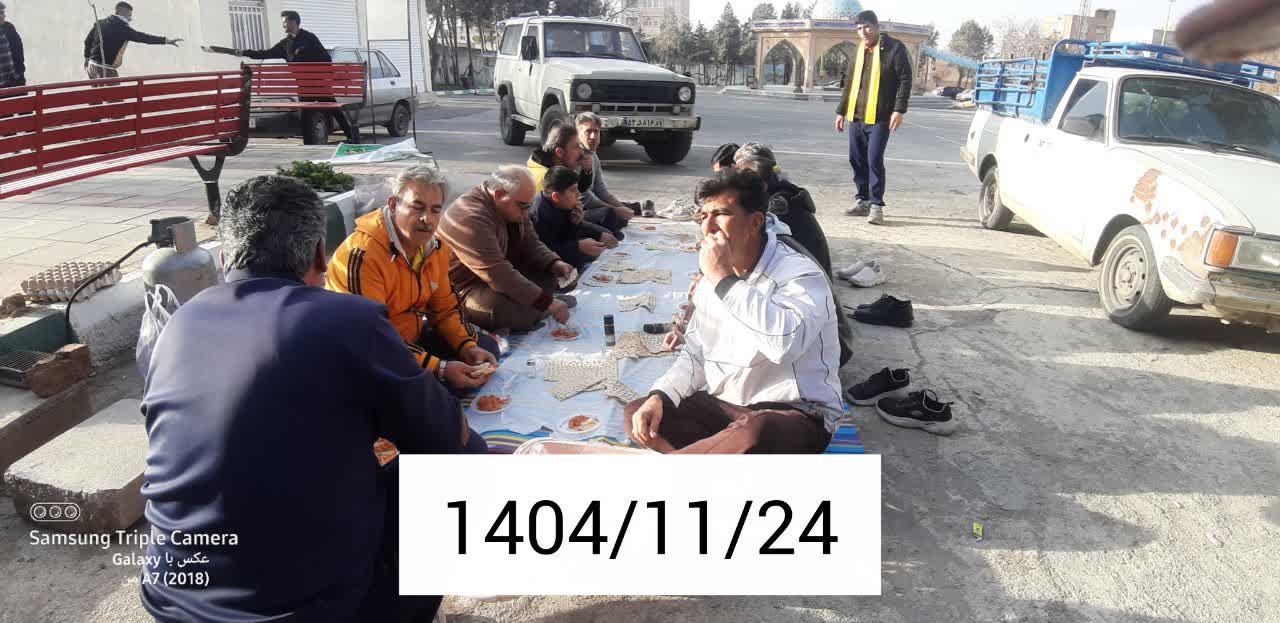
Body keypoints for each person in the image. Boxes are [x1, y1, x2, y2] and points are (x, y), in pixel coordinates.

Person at [139, 175, 470, 622]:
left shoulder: (179, 325)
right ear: (319, 254)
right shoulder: (347, 318)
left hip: (172, 599)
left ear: (224, 258)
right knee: (452, 473)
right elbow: (441, 436)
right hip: (316, 610)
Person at [624, 169, 843, 454]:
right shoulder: (712, 278)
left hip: (794, 413)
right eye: (704, 216)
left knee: (755, 432)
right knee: (640, 413)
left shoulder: (800, 275)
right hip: (729, 406)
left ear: (755, 222)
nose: (708, 228)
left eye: (721, 215)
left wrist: (724, 279)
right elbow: (696, 353)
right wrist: (661, 395)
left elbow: (783, 345)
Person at [326, 166, 499, 392]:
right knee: (431, 390)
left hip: (410, 341)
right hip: (370, 353)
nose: (427, 219)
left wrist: (467, 347)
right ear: (393, 205)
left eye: (435, 210)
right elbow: (372, 338)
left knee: (484, 350)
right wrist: (439, 368)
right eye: (417, 208)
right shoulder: (362, 255)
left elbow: (445, 310)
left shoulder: (436, 249)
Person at [438, 165, 576, 332]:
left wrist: (555, 263)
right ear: (499, 195)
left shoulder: (514, 205)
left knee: (549, 274)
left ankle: (536, 309)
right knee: (501, 308)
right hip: (463, 290)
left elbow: (532, 243)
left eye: (529, 206)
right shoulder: (470, 217)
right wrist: (547, 302)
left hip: (498, 280)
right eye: (523, 206)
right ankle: (540, 310)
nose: (526, 213)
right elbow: (496, 273)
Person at [223, 11, 360, 143]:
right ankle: (309, 145)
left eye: (285, 22)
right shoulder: (285, 44)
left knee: (334, 110)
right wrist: (243, 52)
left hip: (319, 85)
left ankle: (352, 138)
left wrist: (316, 71)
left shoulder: (309, 38)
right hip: (303, 87)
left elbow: (325, 58)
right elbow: (265, 53)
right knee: (306, 116)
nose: (283, 25)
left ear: (294, 22)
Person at [835, 9, 912, 225]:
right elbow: (849, 83)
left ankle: (877, 205)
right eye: (859, 29)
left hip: (880, 116)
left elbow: (905, 79)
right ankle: (863, 200)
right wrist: (841, 111)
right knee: (856, 159)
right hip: (856, 116)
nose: (864, 32)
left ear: (877, 27)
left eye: (867, 27)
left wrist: (899, 109)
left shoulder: (894, 48)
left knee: (874, 159)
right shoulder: (858, 50)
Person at [733, 143, 833, 277]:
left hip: (805, 281)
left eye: (740, 174)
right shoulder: (786, 192)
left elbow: (754, 255)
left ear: (761, 183)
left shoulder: (777, 208)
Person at [527, 123, 628, 238]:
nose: (581, 152)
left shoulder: (558, 166)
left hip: (570, 219)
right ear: (560, 152)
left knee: (614, 220)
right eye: (575, 147)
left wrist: (586, 171)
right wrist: (583, 240)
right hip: (557, 230)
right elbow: (557, 225)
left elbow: (581, 189)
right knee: (609, 221)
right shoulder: (545, 178)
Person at [530, 166, 619, 270]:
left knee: (605, 236)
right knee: (591, 254)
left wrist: (577, 223)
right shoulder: (539, 215)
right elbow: (545, 250)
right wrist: (578, 246)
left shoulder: (562, 203)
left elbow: (567, 234)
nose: (578, 193)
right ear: (556, 196)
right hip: (544, 262)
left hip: (563, 245)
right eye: (573, 190)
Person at [83, 1, 182, 79]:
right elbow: (144, 38)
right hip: (106, 69)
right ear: (121, 13)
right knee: (115, 97)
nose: (130, 19)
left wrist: (87, 59)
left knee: (97, 96)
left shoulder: (99, 23)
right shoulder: (123, 29)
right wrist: (166, 41)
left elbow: (87, 42)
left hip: (91, 66)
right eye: (129, 15)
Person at [574, 112, 640, 223]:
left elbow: (601, 190)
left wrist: (621, 207)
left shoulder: (592, 156)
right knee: (612, 215)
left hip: (589, 205)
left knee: (630, 210)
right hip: (577, 212)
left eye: (596, 131)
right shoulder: (576, 156)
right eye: (588, 132)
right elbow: (583, 197)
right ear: (578, 133)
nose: (593, 137)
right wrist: (615, 209)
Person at [0, 2, 25, 88]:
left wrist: (19, 73)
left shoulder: (9, 27)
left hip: (14, 81)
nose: (4, 16)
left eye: (3, 12)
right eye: (1, 13)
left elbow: (19, 51)